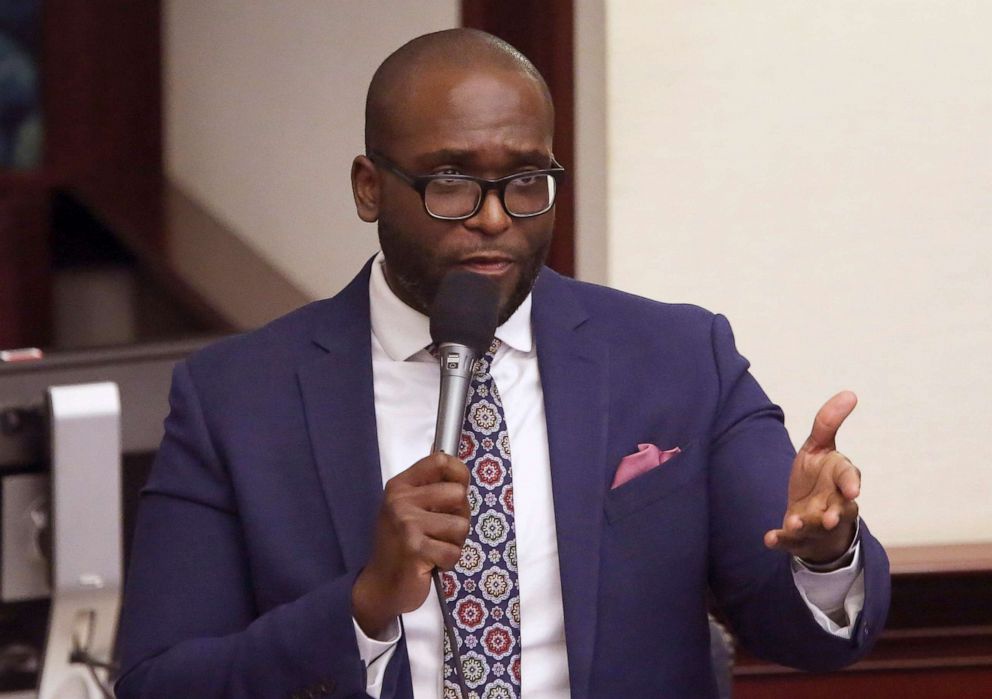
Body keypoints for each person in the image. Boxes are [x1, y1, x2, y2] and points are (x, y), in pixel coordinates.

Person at [115, 29, 889, 699]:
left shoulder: (680, 359)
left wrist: (825, 554)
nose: (492, 218)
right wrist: (361, 605)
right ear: (368, 187)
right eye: (451, 181)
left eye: (525, 182)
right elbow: (159, 682)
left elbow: (812, 637)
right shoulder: (236, 398)